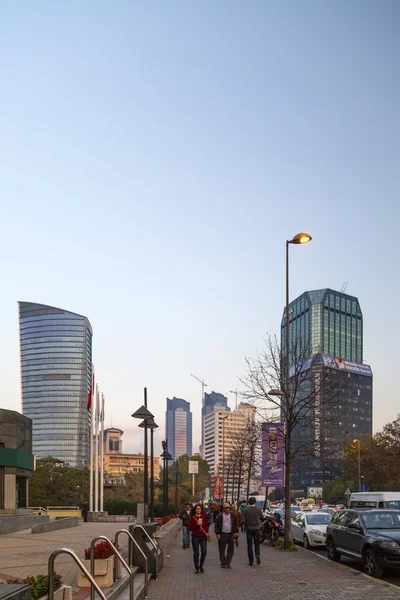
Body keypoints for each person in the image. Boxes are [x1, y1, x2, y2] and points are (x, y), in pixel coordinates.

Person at [214, 502, 239, 568]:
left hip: (230, 534)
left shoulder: (232, 515)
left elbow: (235, 524)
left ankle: (228, 562)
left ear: (229, 508)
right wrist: (217, 533)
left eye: (228, 508)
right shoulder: (219, 516)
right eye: (225, 508)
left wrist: (236, 532)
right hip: (222, 534)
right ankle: (223, 562)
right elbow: (216, 525)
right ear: (223, 509)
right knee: (222, 549)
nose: (227, 509)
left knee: (231, 549)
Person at [189, 504, 209, 574]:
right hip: (195, 536)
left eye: (199, 509)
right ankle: (196, 567)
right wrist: (196, 524)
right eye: (197, 509)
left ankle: (201, 565)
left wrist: (206, 532)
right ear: (195, 510)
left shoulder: (203, 517)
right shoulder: (192, 518)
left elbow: (206, 525)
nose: (198, 510)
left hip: (203, 536)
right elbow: (190, 528)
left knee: (204, 552)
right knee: (196, 553)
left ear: (201, 510)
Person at [243, 497, 264, 566]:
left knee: (249, 545)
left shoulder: (246, 510)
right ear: (255, 502)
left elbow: (243, 520)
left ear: (249, 502)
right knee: (257, 544)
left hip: (249, 528)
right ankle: (257, 555)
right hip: (257, 529)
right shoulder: (258, 509)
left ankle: (251, 561)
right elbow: (262, 518)